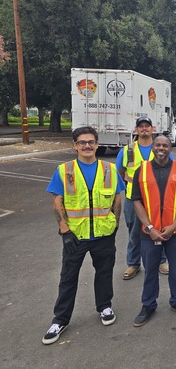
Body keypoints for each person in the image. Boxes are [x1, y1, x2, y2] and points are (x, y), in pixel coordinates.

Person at [42, 126, 125, 345]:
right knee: (68, 279)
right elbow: (57, 200)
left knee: (104, 273)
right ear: (75, 145)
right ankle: (60, 320)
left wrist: (115, 224)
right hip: (75, 237)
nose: (87, 146)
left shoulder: (109, 169)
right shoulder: (64, 170)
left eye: (91, 142)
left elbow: (117, 198)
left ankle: (105, 307)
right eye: (82, 142)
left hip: (104, 234)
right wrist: (64, 230)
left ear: (97, 144)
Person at [130, 136, 176, 326]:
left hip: (175, 230)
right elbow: (136, 201)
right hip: (149, 232)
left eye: (165, 145)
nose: (161, 148)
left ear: (170, 148)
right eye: (158, 145)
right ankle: (148, 305)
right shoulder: (141, 171)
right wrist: (150, 228)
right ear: (152, 147)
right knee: (150, 269)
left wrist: (174, 225)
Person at [116, 116, 170, 280]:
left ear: (153, 129)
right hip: (134, 198)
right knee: (134, 232)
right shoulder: (127, 151)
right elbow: (121, 172)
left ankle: (162, 261)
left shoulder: (161, 147)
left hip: (157, 198)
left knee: (159, 229)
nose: (144, 129)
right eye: (141, 126)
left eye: (147, 126)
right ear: (136, 130)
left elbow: (171, 169)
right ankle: (133, 264)